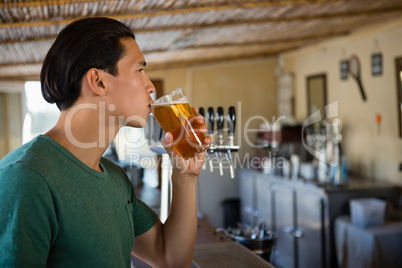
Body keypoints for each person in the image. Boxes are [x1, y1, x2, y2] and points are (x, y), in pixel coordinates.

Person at [0, 17, 210, 267]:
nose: (150, 85)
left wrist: (184, 176)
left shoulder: (115, 179)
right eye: (140, 70)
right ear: (98, 81)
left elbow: (170, 259)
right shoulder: (25, 178)